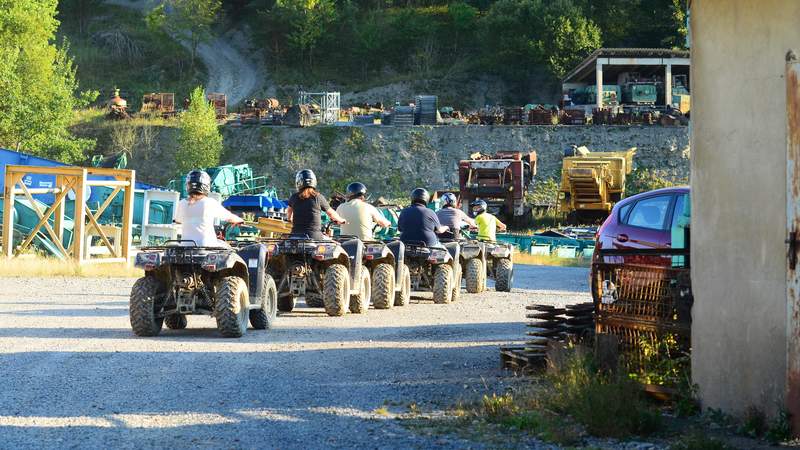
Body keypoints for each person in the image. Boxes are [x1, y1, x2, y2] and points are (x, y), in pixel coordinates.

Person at [174, 170, 243, 247]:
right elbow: (229, 217)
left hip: (186, 246)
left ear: (188, 185)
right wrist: (239, 220)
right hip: (206, 246)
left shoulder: (182, 203)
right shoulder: (209, 202)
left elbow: (178, 220)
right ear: (206, 185)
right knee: (228, 248)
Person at [287, 169, 346, 239]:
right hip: (314, 237)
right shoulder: (318, 197)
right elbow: (331, 213)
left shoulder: (293, 197)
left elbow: (289, 211)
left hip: (295, 237)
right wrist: (340, 220)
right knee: (336, 244)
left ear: (298, 182)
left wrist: (289, 219)